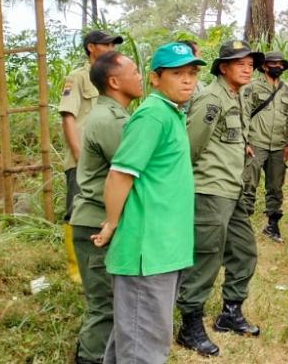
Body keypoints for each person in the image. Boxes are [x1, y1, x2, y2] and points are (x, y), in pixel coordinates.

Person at [92, 41, 204, 364]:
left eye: (192, 72)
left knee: (130, 344)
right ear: (155, 78)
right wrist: (112, 223)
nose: (187, 80)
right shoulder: (153, 116)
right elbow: (120, 175)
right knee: (144, 352)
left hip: (164, 250)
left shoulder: (170, 113)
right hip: (148, 254)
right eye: (177, 73)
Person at [176, 40, 264, 357]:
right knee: (206, 258)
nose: (247, 68)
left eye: (250, 64)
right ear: (223, 68)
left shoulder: (236, 96)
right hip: (211, 190)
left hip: (233, 188)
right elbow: (190, 147)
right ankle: (190, 326)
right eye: (240, 63)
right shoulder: (212, 99)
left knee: (244, 251)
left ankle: (230, 313)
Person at [69, 51, 143, 364]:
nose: (140, 76)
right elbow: (134, 169)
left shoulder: (114, 116)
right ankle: (90, 358)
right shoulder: (110, 121)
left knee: (113, 303)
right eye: (134, 71)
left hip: (102, 221)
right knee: (105, 306)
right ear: (114, 82)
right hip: (96, 223)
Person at [60, 29, 123, 281]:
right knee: (76, 209)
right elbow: (68, 117)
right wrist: (79, 156)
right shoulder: (77, 78)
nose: (111, 49)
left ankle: (103, 262)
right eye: (106, 44)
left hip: (107, 158)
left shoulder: (112, 78)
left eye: (113, 45)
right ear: (91, 47)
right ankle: (76, 269)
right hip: (83, 159)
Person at [242, 51, 288, 243]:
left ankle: (273, 226)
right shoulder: (252, 88)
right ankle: (243, 226)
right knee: (248, 183)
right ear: (264, 66)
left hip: (278, 145)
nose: (277, 66)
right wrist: (245, 141)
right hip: (256, 143)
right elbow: (244, 114)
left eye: (280, 64)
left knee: (275, 187)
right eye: (273, 63)